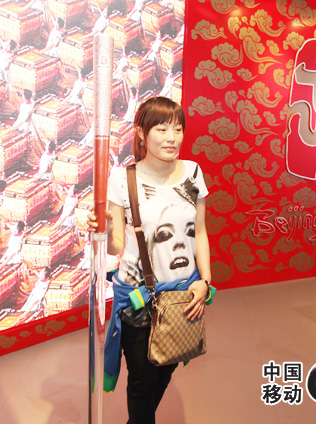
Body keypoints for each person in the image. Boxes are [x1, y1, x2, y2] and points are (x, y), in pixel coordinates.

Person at [86, 96, 211, 424]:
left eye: (178, 129)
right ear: (142, 133)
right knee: (142, 382)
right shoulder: (123, 179)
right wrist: (105, 230)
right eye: (162, 129)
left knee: (166, 368)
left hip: (183, 294)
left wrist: (205, 281)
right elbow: (115, 246)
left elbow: (200, 232)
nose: (172, 138)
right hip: (138, 298)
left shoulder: (193, 172)